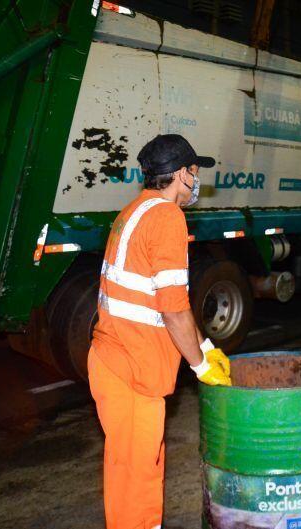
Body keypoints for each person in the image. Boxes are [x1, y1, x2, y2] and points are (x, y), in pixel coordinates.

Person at [87, 134, 231, 529]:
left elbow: (151, 296)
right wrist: (201, 365)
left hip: (113, 360)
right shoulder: (168, 217)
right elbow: (172, 307)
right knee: (138, 482)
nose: (197, 180)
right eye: (195, 171)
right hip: (134, 369)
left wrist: (202, 342)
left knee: (132, 471)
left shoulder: (134, 209)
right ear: (181, 174)